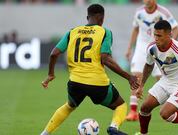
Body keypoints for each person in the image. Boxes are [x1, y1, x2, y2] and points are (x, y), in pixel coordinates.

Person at [40, 4, 139, 135]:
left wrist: (50, 75)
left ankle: (44, 133)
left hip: (75, 82)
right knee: (120, 105)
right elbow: (106, 59)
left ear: (87, 17)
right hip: (98, 83)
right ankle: (113, 128)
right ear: (102, 19)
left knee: (69, 106)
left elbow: (54, 53)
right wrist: (129, 77)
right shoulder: (105, 32)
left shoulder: (72, 32)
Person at [125, 0, 178, 121]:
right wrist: (129, 47)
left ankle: (173, 108)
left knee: (163, 80)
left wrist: (169, 46)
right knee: (135, 77)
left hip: (159, 49)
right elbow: (135, 29)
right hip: (141, 48)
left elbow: (176, 30)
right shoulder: (139, 12)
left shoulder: (164, 12)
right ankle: (133, 111)